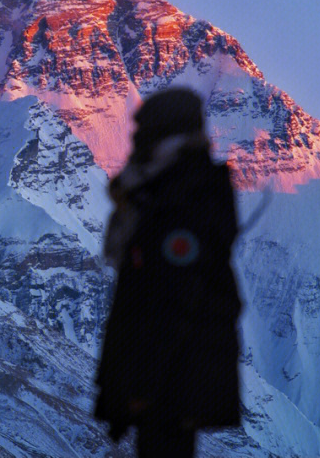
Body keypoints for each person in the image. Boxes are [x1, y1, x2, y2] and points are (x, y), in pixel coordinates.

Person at [94, 87, 243, 458]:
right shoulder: (170, 193)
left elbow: (174, 301)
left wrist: (142, 386)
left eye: (144, 132)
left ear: (165, 135)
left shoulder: (182, 204)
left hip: (170, 384)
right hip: (169, 381)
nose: (135, 140)